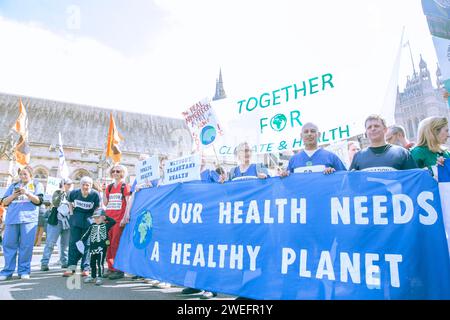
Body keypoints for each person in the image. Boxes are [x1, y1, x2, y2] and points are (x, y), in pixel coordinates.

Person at [0, 166, 44, 280]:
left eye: (25, 174)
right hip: (12, 219)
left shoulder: (36, 185)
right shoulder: (14, 185)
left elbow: (39, 201)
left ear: (31, 175)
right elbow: (4, 202)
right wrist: (14, 195)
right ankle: (7, 271)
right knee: (8, 245)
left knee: (26, 246)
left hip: (28, 220)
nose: (23, 176)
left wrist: (28, 193)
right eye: (21, 174)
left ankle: (24, 271)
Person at [349, 115, 418, 171]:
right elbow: (350, 184)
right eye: (369, 127)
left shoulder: (402, 153)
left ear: (385, 129)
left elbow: (414, 179)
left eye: (376, 126)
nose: (373, 129)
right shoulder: (358, 156)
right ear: (366, 133)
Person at [63, 176, 100, 277]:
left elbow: (97, 206)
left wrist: (95, 218)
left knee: (87, 244)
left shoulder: (95, 194)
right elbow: (69, 202)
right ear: (80, 185)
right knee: (73, 243)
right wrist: (71, 213)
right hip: (76, 219)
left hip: (88, 219)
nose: (85, 187)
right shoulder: (74, 193)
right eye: (83, 184)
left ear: (91, 186)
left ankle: (86, 268)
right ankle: (71, 268)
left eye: (87, 185)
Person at [282, 123, 347, 176]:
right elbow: (288, 186)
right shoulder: (293, 160)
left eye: (312, 131)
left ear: (318, 135)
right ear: (301, 136)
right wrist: (284, 176)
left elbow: (345, 179)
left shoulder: (331, 157)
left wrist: (333, 174)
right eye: (306, 132)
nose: (309, 134)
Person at [104, 164, 131, 280]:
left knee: (116, 244)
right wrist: (102, 191)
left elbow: (128, 203)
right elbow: (105, 203)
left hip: (119, 220)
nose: (115, 173)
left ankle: (118, 270)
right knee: (108, 244)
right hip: (108, 219)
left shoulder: (125, 186)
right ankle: (110, 268)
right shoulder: (109, 187)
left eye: (118, 171)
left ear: (122, 173)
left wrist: (126, 217)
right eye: (113, 171)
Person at [40, 178, 73, 271]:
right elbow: (55, 202)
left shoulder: (72, 194)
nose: (69, 186)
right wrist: (62, 192)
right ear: (63, 184)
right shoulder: (57, 193)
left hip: (67, 221)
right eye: (67, 184)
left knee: (65, 244)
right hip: (56, 221)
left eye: (70, 184)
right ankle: (44, 263)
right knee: (50, 243)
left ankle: (64, 261)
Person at [80, 208, 116, 286]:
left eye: (98, 217)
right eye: (95, 218)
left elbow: (113, 222)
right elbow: (87, 233)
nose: (96, 219)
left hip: (102, 247)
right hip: (93, 247)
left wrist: (106, 217)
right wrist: (81, 240)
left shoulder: (106, 225)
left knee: (100, 263)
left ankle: (99, 277)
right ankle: (93, 276)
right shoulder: (92, 225)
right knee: (92, 263)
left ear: (103, 217)